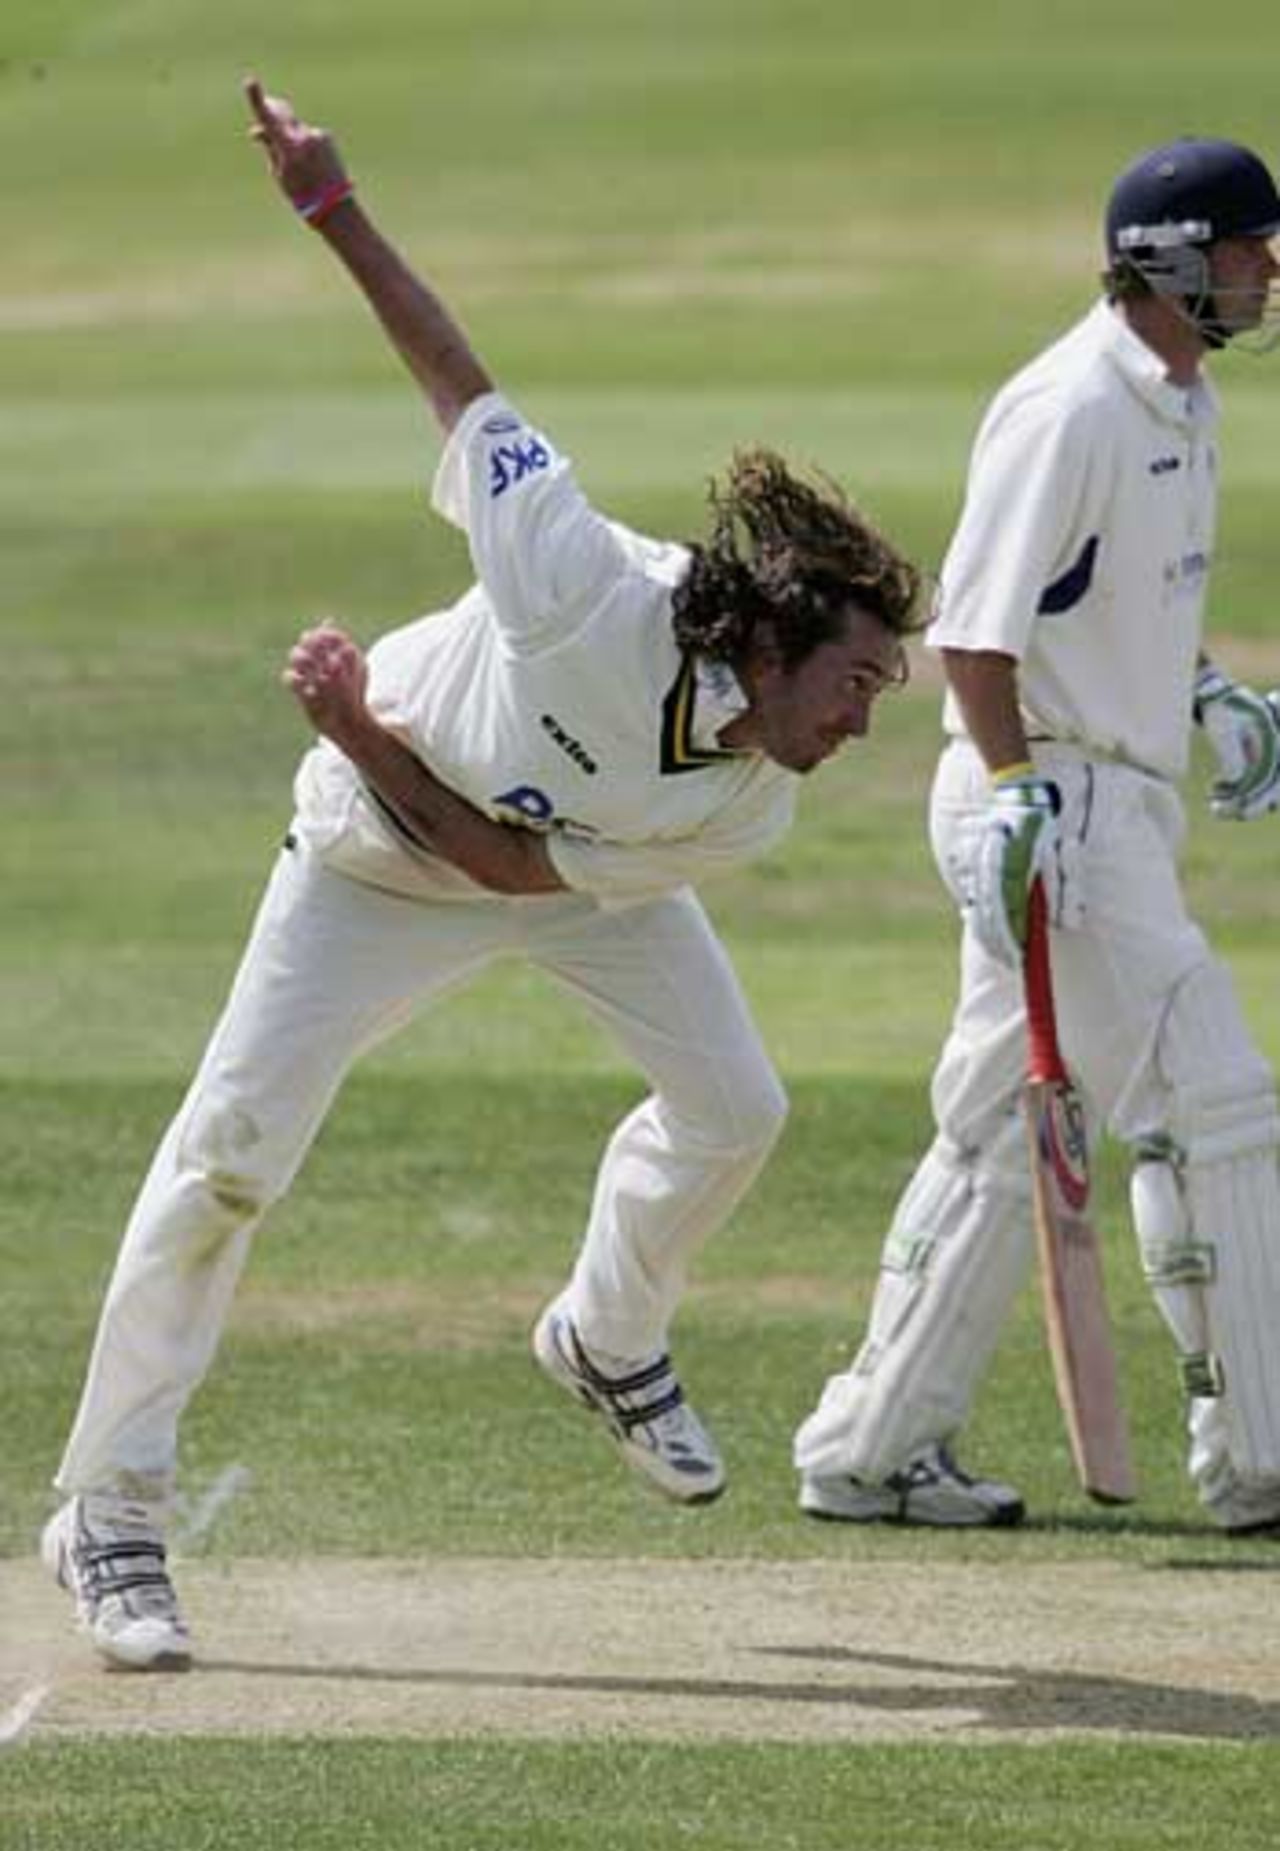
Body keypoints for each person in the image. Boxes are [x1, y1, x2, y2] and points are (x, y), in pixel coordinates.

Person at [41, 79, 922, 1670]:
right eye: (857, 684)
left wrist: (357, 722)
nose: (863, 724)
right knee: (228, 1157)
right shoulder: (579, 584)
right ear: (776, 642)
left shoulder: (750, 804)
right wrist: (331, 206)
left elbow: (519, 870)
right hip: (366, 862)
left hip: (544, 867)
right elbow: (455, 380)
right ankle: (108, 1513)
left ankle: (606, 1337)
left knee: (736, 1105)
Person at [792, 135, 1280, 1531]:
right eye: (1247, 249)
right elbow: (976, 632)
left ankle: (868, 1448)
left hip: (1110, 798)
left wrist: (1205, 695)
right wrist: (1017, 789)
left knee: (999, 1137)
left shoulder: (1183, 401)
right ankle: (1259, 1455)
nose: (1266, 272)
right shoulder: (1068, 407)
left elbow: (1105, 600)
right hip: (1052, 803)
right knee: (1215, 1096)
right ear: (1174, 262)